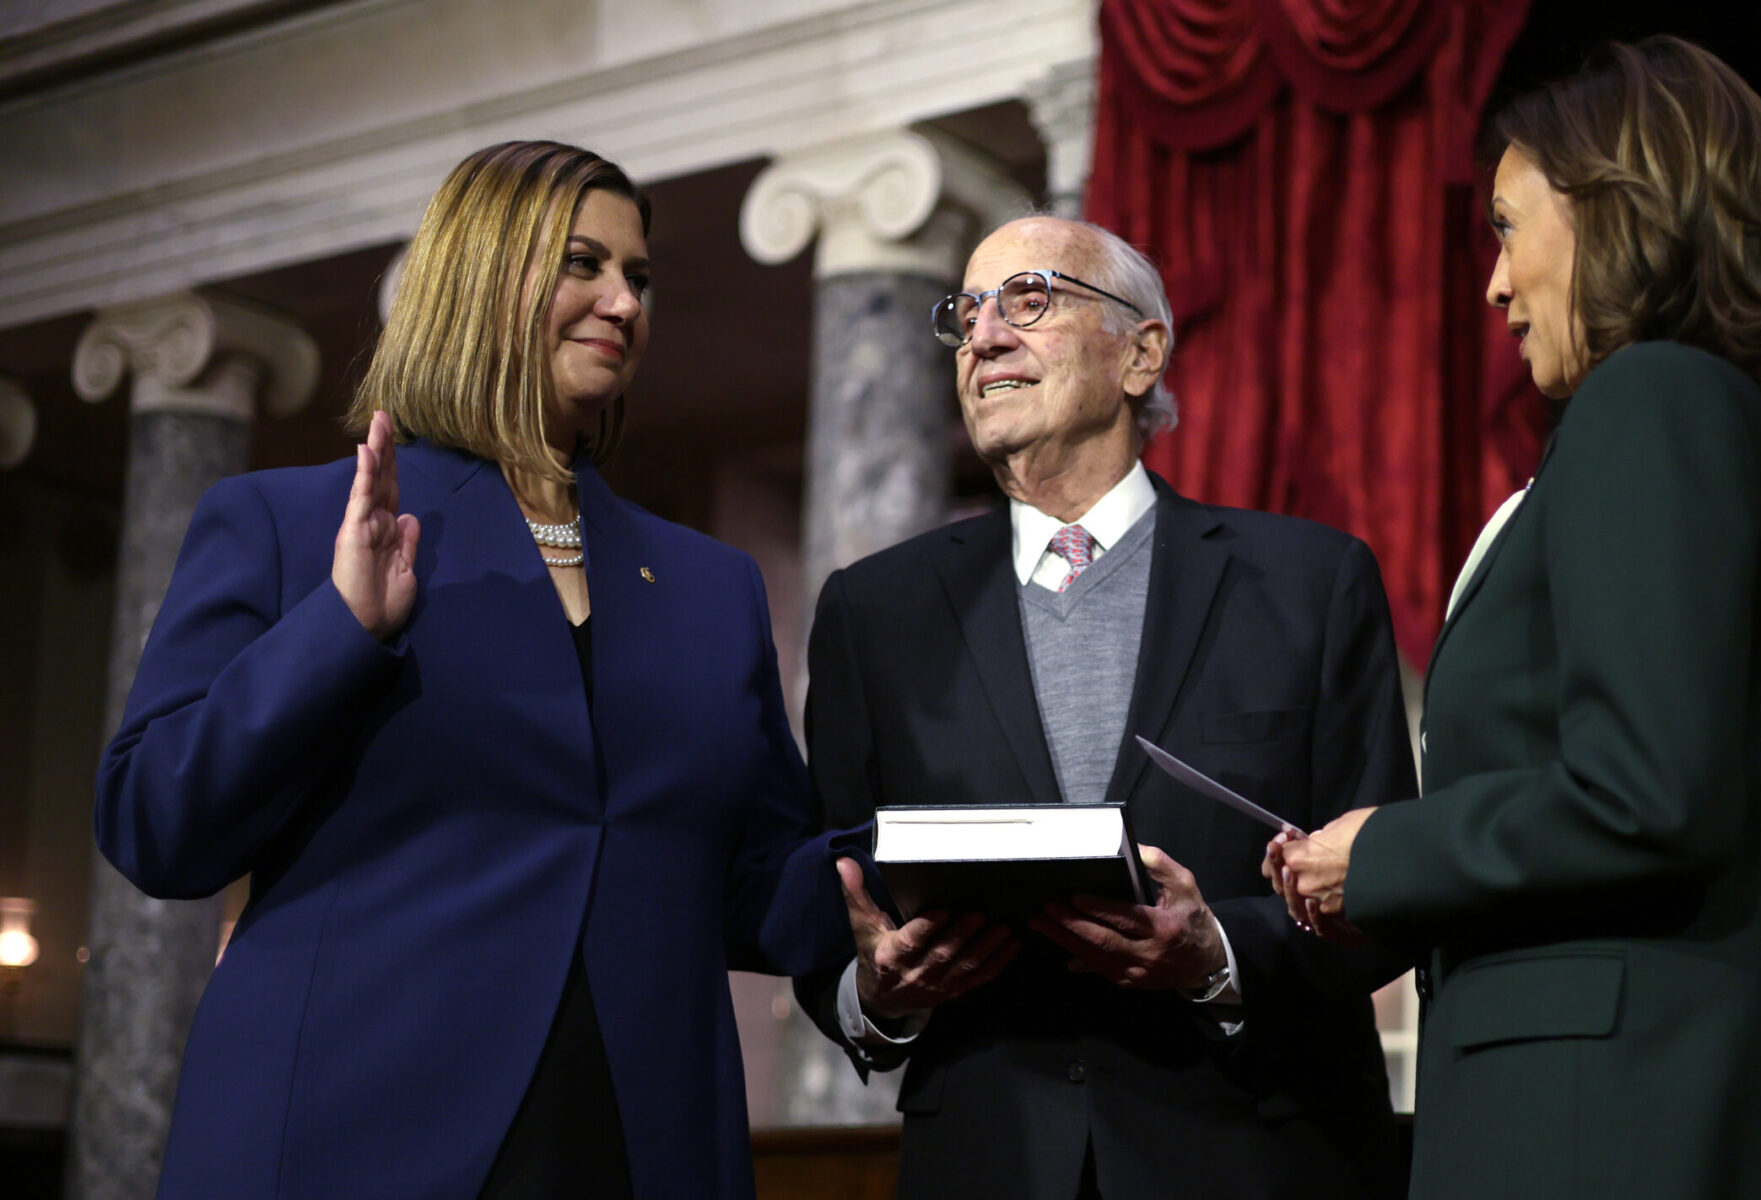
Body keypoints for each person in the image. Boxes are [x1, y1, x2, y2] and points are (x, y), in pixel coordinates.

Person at [96, 141, 853, 1199]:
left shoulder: (707, 586)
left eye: (638, 278)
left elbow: (755, 887)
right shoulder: (288, 522)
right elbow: (155, 822)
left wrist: (912, 879)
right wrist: (343, 628)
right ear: (480, 276)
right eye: (582, 264)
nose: (623, 303)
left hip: (634, 1149)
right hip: (347, 1138)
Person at [1270, 36, 1761, 1199]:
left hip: (1620, 1117)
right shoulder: (1693, 414)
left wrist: (1388, 850)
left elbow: (1645, 793)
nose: (1495, 285)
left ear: (1619, 207)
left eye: (1508, 226)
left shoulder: (1652, 398)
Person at [792, 215, 1416, 1200]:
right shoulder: (874, 611)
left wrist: (1218, 955)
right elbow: (829, 907)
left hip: (1260, 1152)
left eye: (1029, 299)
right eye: (966, 314)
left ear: (1141, 351)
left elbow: (1388, 888)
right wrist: (876, 993)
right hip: (988, 1162)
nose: (985, 335)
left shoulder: (1307, 583)